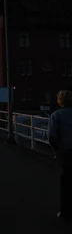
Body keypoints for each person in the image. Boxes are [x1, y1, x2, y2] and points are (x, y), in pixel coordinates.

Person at [49, 90, 72, 221]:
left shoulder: (56, 115)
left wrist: (55, 150)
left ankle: (65, 211)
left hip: (66, 153)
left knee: (66, 183)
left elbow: (52, 136)